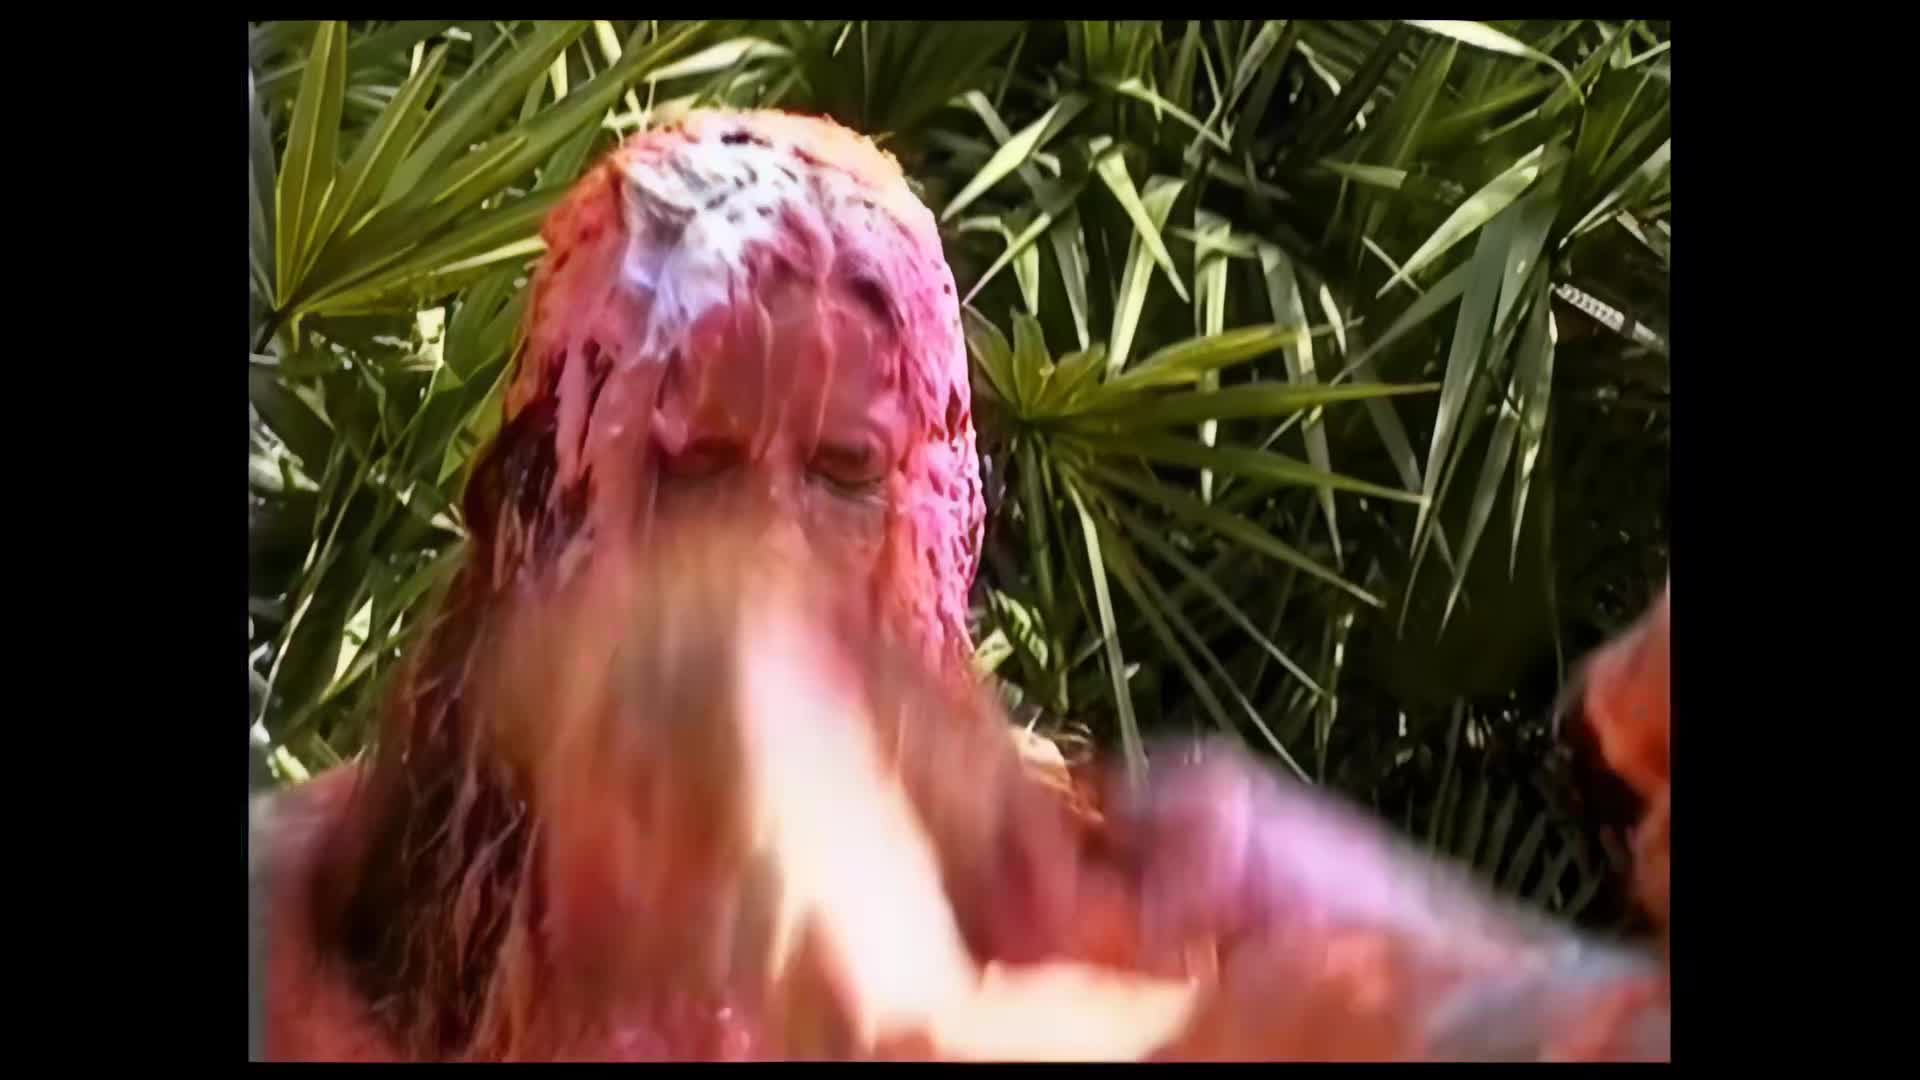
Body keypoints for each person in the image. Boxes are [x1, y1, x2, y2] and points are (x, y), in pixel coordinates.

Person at [250, 109, 1671, 1061]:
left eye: (843, 473)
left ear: (934, 511)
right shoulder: (294, 914)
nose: (771, 550)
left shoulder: (1117, 909)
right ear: (537, 518)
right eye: (692, 473)